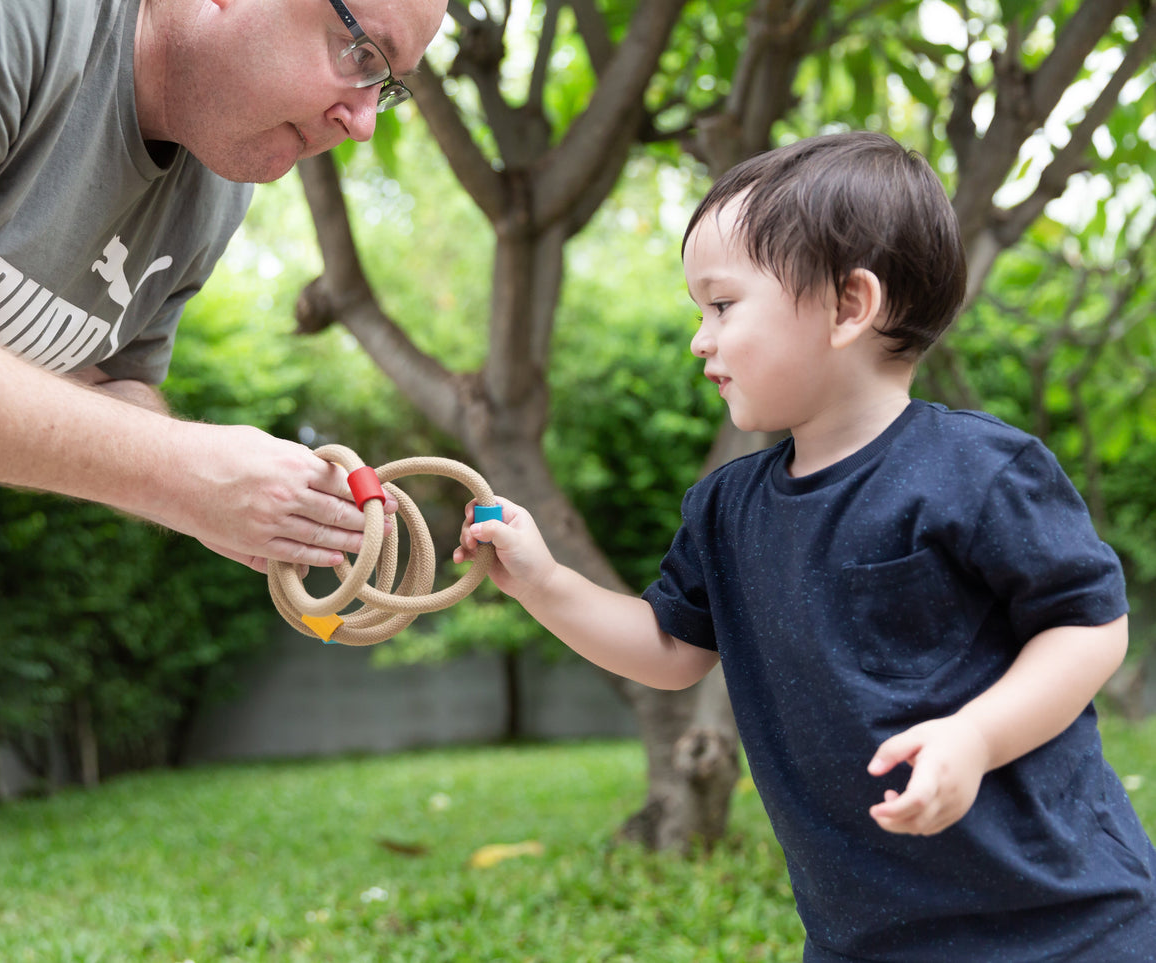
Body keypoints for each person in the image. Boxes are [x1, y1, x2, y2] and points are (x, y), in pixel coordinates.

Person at [0, 0, 446, 958]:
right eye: (357, 50)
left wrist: (237, 491)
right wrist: (180, 473)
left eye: (387, 82)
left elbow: (98, 381)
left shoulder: (216, 181)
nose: (364, 118)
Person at [455, 131, 1156, 961]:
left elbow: (1087, 626)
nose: (699, 340)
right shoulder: (725, 508)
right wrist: (543, 583)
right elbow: (671, 649)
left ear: (848, 307)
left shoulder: (977, 470)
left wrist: (976, 734)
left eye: (721, 304)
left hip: (1066, 919)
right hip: (865, 935)